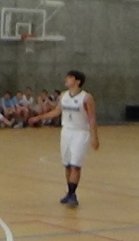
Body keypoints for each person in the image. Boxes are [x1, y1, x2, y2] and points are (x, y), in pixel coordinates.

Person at [27, 70, 99, 208]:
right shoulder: (64, 95)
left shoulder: (86, 97)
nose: (66, 79)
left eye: (70, 77)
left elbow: (91, 117)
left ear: (77, 81)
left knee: (75, 164)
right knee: (67, 164)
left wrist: (95, 136)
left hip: (80, 132)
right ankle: (69, 192)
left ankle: (72, 194)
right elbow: (57, 111)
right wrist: (39, 117)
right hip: (66, 131)